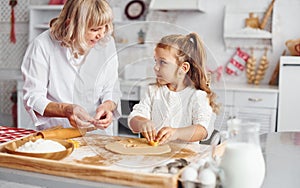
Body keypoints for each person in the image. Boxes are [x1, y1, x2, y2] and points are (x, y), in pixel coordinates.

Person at [21, 0, 121, 135]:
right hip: (57, 134)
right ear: (71, 25)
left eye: (105, 26)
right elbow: (33, 98)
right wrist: (66, 110)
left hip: (97, 135)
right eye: (94, 29)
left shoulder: (106, 43)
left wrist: (107, 106)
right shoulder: (42, 45)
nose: (101, 34)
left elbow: (111, 89)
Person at [128, 33, 219, 144]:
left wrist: (176, 133)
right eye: (155, 61)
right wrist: (141, 122)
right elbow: (134, 118)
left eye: (163, 62)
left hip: (185, 158)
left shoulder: (197, 96)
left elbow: (202, 130)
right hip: (155, 159)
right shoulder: (153, 91)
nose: (156, 67)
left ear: (183, 68)